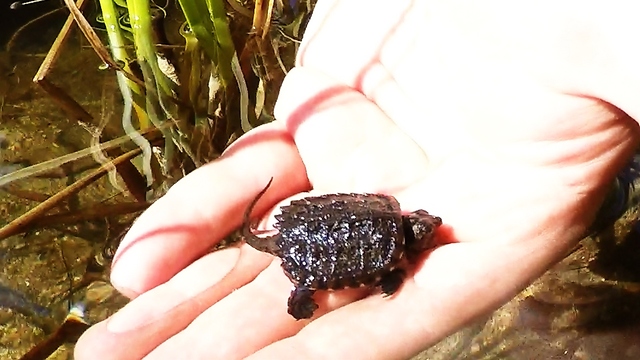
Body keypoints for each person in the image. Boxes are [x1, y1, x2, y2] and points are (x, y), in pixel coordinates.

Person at [75, 1, 640, 359]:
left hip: (304, 226)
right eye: (423, 224)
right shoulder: (394, 249)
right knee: (305, 287)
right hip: (307, 240)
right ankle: (300, 292)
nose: (429, 223)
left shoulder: (392, 225)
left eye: (422, 223)